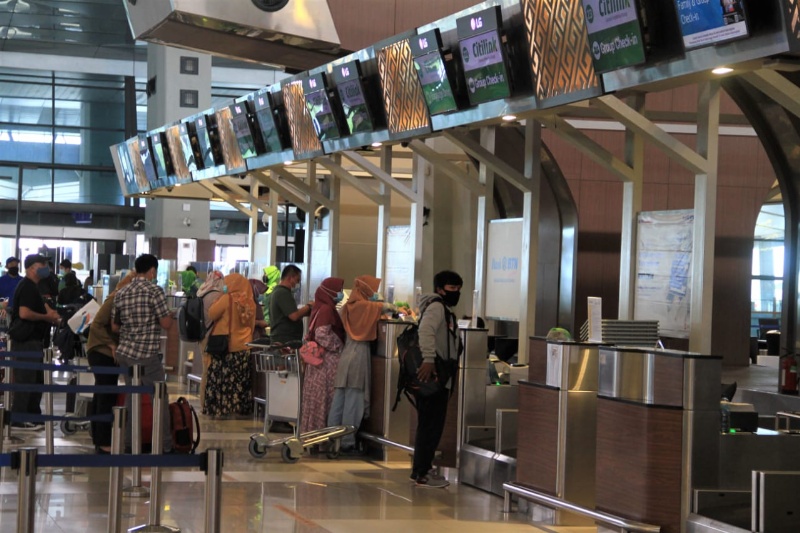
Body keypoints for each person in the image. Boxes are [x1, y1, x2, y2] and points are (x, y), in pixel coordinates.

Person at [111, 254, 175, 453]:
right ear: (152, 271)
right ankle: (164, 445)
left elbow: (114, 326)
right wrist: (167, 316)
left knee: (133, 397)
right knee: (160, 397)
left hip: (124, 353)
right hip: (146, 354)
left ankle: (130, 443)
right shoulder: (154, 291)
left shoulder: (121, 292)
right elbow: (166, 324)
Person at [328, 275, 396, 453]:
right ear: (366, 291)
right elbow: (381, 307)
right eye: (372, 291)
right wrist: (391, 306)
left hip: (346, 355)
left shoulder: (348, 307)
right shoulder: (364, 306)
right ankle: (347, 442)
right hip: (358, 355)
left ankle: (331, 436)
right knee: (354, 400)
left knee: (340, 399)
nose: (374, 295)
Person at [411, 270, 463, 488]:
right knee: (431, 425)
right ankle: (422, 472)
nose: (456, 293)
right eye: (452, 289)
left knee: (430, 424)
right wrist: (429, 359)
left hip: (441, 375)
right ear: (440, 289)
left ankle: (422, 469)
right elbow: (425, 330)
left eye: (459, 289)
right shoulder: (437, 307)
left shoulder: (442, 308)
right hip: (435, 375)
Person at [85, 271, 135, 454]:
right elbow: (96, 324)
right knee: (106, 395)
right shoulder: (114, 299)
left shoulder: (120, 299)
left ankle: (99, 436)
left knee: (102, 394)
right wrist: (111, 344)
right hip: (101, 352)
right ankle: (104, 441)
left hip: (103, 351)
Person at [10, 254, 61, 429]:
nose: (46, 267)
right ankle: (19, 418)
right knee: (26, 379)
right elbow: (24, 313)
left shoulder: (34, 287)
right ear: (32, 267)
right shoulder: (27, 287)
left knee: (35, 379)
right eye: (42, 264)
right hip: (26, 340)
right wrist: (46, 317)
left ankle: (33, 415)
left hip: (35, 340)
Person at [204, 272, 256, 417]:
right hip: (244, 345)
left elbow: (212, 314)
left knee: (222, 379)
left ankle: (221, 407)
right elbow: (251, 325)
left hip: (225, 345)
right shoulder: (250, 301)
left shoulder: (227, 299)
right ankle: (238, 408)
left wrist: (219, 299)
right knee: (239, 380)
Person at [300, 277, 345, 435]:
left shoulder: (319, 307)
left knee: (316, 400)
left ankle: (312, 433)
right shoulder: (327, 309)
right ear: (330, 292)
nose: (340, 294)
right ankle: (322, 436)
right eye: (338, 291)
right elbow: (322, 335)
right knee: (325, 399)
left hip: (316, 363)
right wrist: (339, 345)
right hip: (326, 363)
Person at [197, 271, 225, 410]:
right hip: (210, 338)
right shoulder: (216, 295)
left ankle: (204, 402)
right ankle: (206, 404)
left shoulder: (202, 292)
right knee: (208, 371)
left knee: (205, 370)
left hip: (202, 337)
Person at [268, 265, 313, 344]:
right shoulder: (282, 293)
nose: (298, 283)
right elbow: (294, 316)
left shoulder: (279, 292)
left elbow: (289, 312)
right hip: (284, 341)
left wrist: (306, 312)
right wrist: (308, 306)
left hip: (285, 339)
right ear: (290, 278)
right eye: (297, 280)